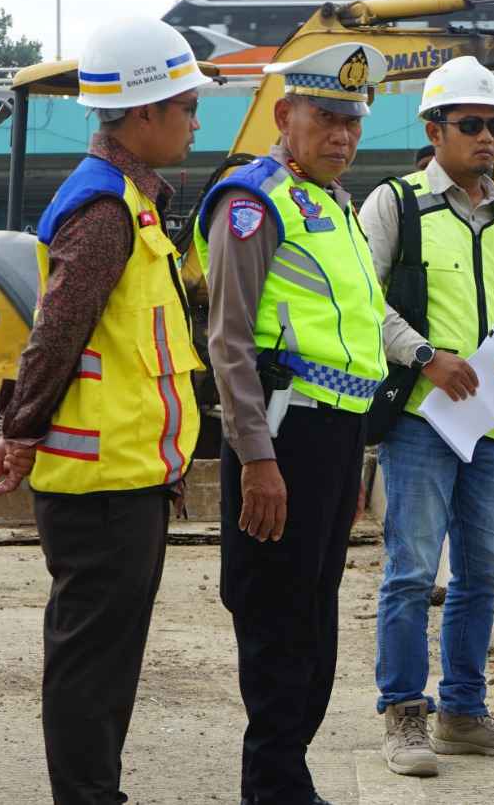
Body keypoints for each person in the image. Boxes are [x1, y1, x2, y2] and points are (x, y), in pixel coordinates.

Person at [0, 16, 208, 803]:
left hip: (128, 475)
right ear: (142, 112)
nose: (196, 118)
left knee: (106, 667)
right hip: (100, 485)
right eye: (185, 104)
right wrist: (20, 431)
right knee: (90, 669)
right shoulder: (105, 210)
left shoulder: (133, 204)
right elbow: (54, 335)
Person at [195, 42, 391, 805]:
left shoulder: (335, 204)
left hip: (334, 439)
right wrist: (257, 459)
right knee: (278, 620)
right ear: (285, 116)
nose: (342, 136)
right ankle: (274, 787)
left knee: (315, 618)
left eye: (352, 121)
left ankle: (286, 781)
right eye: (326, 118)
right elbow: (229, 342)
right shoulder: (252, 202)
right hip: (282, 433)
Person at [358, 55, 494, 777]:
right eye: (471, 124)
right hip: (420, 422)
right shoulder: (395, 205)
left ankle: (464, 712)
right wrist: (424, 355)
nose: (487, 137)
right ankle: (405, 715)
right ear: (434, 129)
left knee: (481, 574)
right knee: (410, 571)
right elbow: (364, 301)